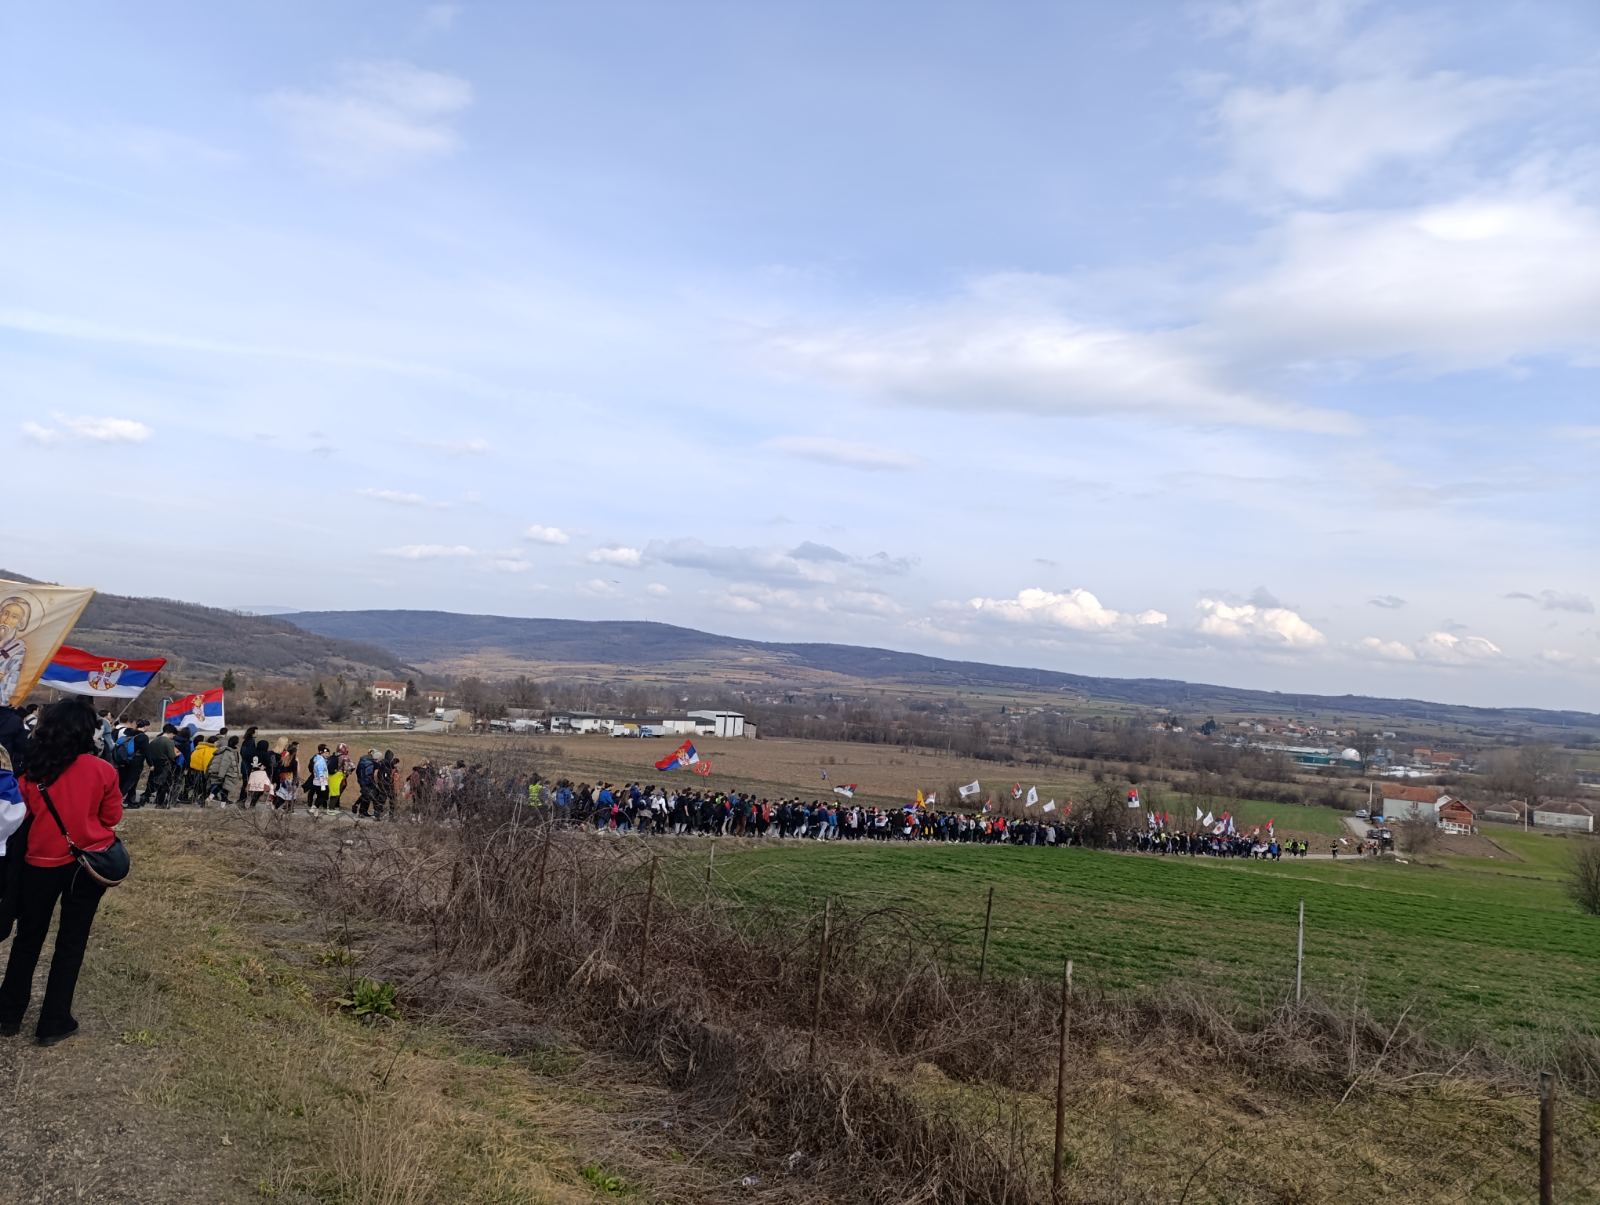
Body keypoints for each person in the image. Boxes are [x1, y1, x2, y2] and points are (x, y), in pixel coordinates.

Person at [0, 698, 122, 1045]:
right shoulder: (103, 771)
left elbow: (17, 821)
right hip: (87, 865)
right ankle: (53, 1021)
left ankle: (8, 1013)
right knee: (71, 942)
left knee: (28, 939)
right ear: (89, 731)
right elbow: (111, 818)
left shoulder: (33, 770)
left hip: (38, 865)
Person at [140, 723, 180, 808]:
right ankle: (160, 803)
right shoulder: (169, 742)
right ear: (170, 732)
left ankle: (144, 797)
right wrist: (178, 754)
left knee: (152, 783)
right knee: (164, 784)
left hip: (154, 764)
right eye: (173, 735)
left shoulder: (155, 740)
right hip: (164, 765)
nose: (173, 737)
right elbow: (172, 756)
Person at [207, 735, 242, 805]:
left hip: (230, 773)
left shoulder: (233, 751)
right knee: (225, 789)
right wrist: (221, 775)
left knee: (222, 787)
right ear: (235, 743)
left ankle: (210, 798)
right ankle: (221, 805)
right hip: (228, 773)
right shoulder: (228, 753)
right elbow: (224, 764)